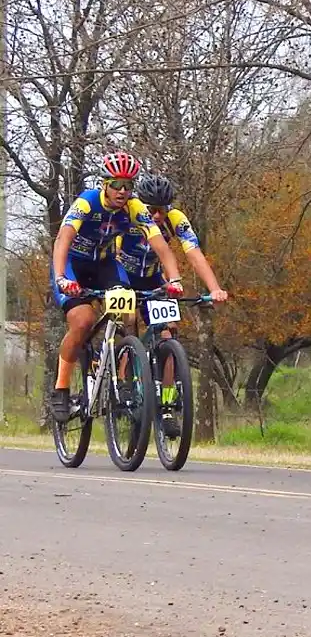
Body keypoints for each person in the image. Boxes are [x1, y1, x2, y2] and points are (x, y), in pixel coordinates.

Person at [49, 151, 184, 422]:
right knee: (83, 320)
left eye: (128, 186)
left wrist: (175, 278)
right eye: (117, 185)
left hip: (104, 264)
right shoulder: (87, 202)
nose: (123, 191)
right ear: (105, 184)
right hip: (73, 265)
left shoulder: (134, 208)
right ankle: (61, 390)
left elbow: (160, 245)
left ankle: (119, 368)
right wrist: (63, 277)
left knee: (128, 310)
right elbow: (63, 239)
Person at [117, 173, 231, 437]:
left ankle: (167, 406)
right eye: (151, 210)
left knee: (168, 332)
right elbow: (113, 251)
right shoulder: (127, 215)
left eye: (161, 210)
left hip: (154, 279)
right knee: (130, 319)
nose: (156, 216)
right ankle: (125, 383)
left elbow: (194, 254)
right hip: (123, 276)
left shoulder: (176, 219)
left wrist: (214, 289)